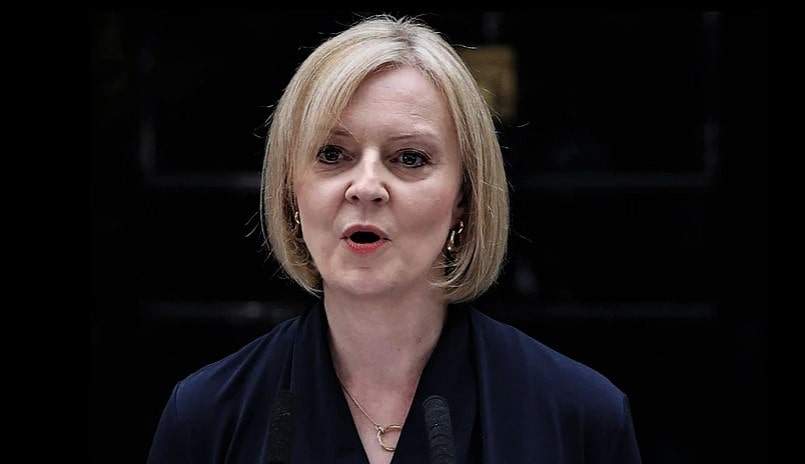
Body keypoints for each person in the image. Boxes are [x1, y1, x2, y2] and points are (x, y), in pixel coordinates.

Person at [147, 15, 642, 464]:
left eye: (409, 158)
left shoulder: (579, 417)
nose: (366, 187)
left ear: (464, 198)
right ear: (290, 191)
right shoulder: (206, 417)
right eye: (332, 154)